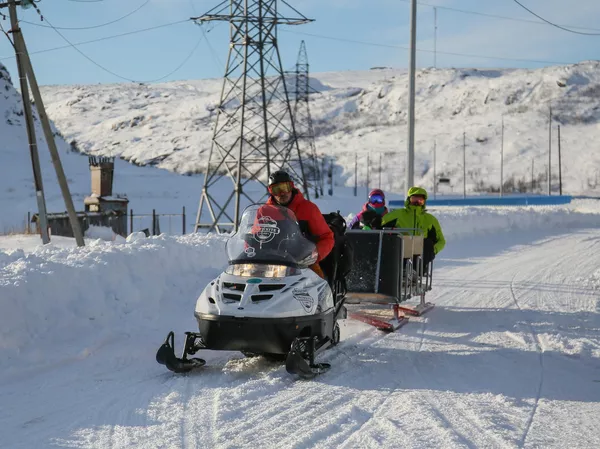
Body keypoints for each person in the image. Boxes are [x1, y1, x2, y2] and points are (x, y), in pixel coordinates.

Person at [265, 170, 334, 278]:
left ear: (291, 186)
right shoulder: (264, 212)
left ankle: (325, 294)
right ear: (270, 191)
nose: (282, 193)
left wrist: (315, 255)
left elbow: (327, 237)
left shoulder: (309, 209)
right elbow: (254, 238)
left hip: (303, 262)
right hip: (271, 262)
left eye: (285, 187)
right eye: (276, 189)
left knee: (318, 283)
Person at [381, 186, 445, 268]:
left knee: (427, 243)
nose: (417, 203)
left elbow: (441, 240)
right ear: (409, 200)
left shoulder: (430, 219)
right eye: (414, 199)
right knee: (394, 239)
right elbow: (381, 225)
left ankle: (415, 269)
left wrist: (433, 250)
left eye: (420, 200)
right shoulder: (398, 214)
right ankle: (401, 268)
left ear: (424, 202)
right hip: (400, 252)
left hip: (420, 255)